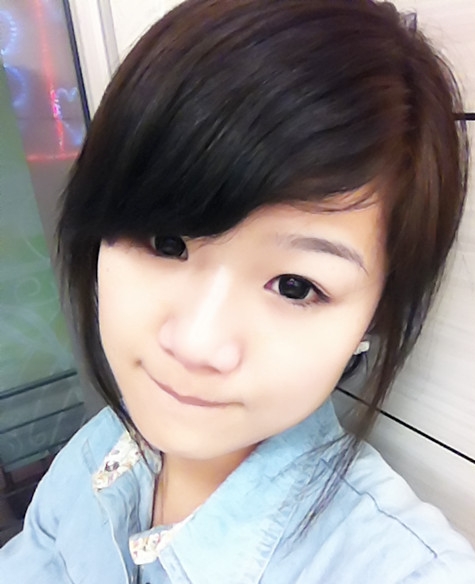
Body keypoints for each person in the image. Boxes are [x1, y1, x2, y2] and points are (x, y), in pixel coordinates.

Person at [1, 0, 474, 581]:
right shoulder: (99, 451)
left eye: (295, 286)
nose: (196, 345)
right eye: (167, 242)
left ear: (373, 319)